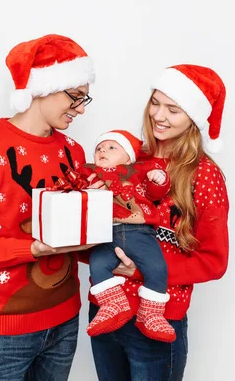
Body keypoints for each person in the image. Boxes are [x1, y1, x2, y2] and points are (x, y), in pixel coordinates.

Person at [0, 34, 102, 381]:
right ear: (44, 88)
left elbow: (73, 239)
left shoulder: (73, 152)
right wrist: (32, 247)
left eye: (84, 98)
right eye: (74, 97)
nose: (81, 109)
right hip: (4, 329)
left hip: (64, 319)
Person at [88, 64, 230, 381]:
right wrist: (90, 208)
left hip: (157, 320)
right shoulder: (126, 158)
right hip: (104, 311)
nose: (159, 116)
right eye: (155, 103)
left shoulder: (204, 174)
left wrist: (140, 270)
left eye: (173, 109)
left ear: (193, 117)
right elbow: (96, 242)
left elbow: (213, 261)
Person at [82, 130, 176, 342]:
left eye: (112, 147)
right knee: (97, 264)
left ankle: (151, 314)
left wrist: (158, 179)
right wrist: (86, 190)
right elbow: (76, 195)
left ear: (128, 157)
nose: (103, 150)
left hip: (138, 232)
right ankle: (113, 304)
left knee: (157, 267)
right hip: (105, 235)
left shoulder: (137, 171)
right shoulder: (90, 173)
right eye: (99, 148)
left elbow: (155, 193)